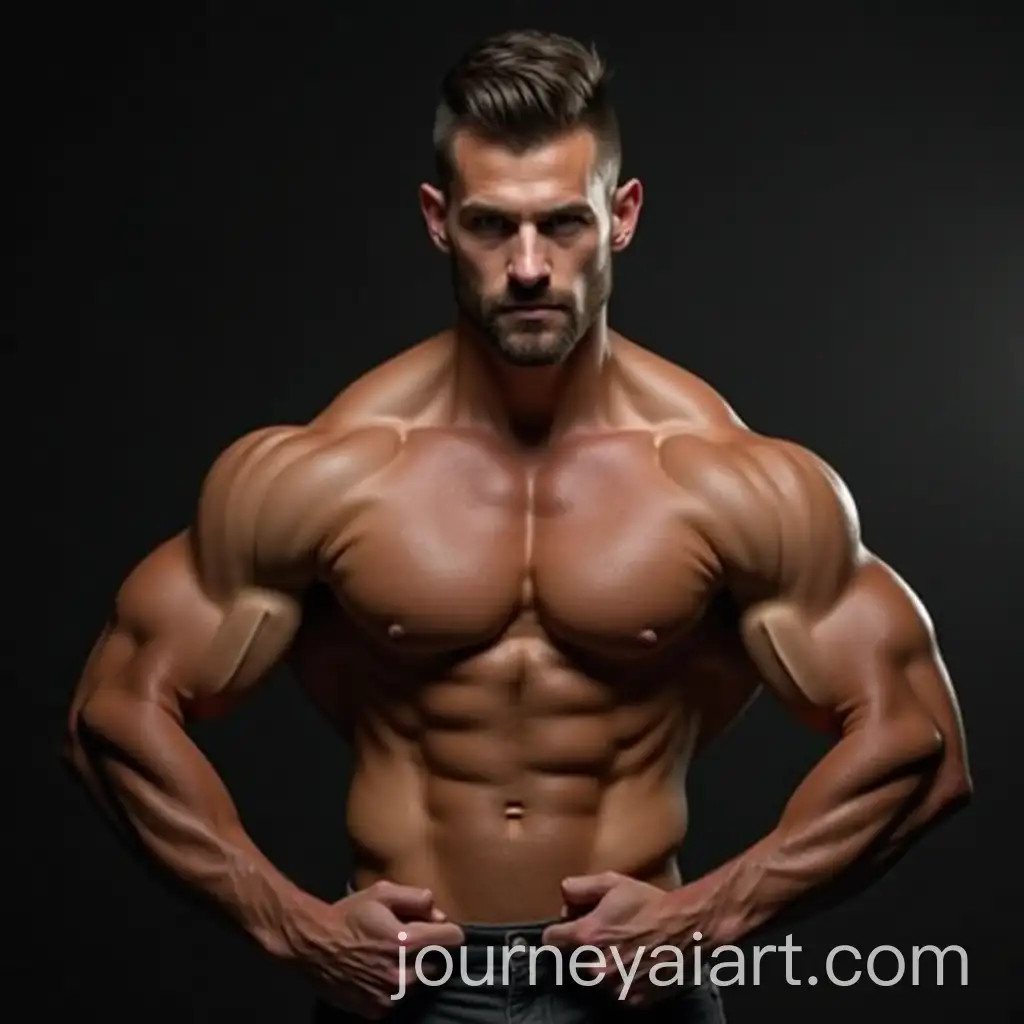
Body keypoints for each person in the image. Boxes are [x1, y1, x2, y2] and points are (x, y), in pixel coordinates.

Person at [65, 28, 972, 1024]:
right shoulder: (324, 470)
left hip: (638, 984)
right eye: (493, 226)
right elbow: (115, 714)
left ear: (620, 216)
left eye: (563, 225)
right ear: (437, 220)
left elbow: (917, 743)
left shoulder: (730, 479)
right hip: (400, 986)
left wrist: (710, 914)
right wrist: (291, 925)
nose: (530, 266)